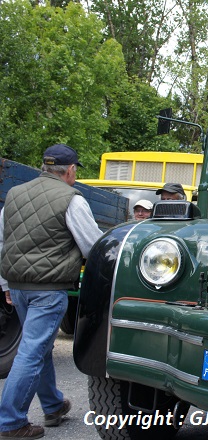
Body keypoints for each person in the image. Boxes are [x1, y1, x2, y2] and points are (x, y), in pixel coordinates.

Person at [0, 144, 103, 439]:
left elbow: (2, 243)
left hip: (18, 287)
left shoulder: (14, 196)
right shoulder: (71, 199)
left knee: (40, 348)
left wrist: (6, 285)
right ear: (70, 171)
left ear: (44, 167)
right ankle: (11, 422)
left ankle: (53, 405)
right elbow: (92, 246)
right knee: (32, 351)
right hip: (49, 288)